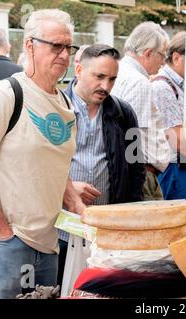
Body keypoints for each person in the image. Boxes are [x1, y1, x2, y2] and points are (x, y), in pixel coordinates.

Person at [0, 9, 85, 299]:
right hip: (6, 242)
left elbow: (56, 163)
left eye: (69, 47)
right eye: (56, 46)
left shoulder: (65, 100)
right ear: (29, 45)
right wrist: (2, 231)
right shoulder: (6, 93)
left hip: (48, 241)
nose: (64, 55)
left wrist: (76, 203)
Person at [57, 44, 146, 286]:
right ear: (78, 70)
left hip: (108, 232)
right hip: (61, 230)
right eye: (99, 77)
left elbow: (137, 164)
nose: (105, 86)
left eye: (112, 79)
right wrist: (68, 187)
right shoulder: (55, 108)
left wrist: (130, 220)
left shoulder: (124, 112)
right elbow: (37, 166)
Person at [111, 22, 171, 201]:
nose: (163, 61)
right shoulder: (138, 81)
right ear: (147, 53)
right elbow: (134, 137)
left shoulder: (120, 71)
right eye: (162, 55)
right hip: (142, 177)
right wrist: (137, 181)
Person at [151, 32, 186, 200]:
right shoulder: (163, 87)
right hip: (173, 169)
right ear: (176, 58)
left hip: (181, 165)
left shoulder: (179, 84)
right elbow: (176, 139)